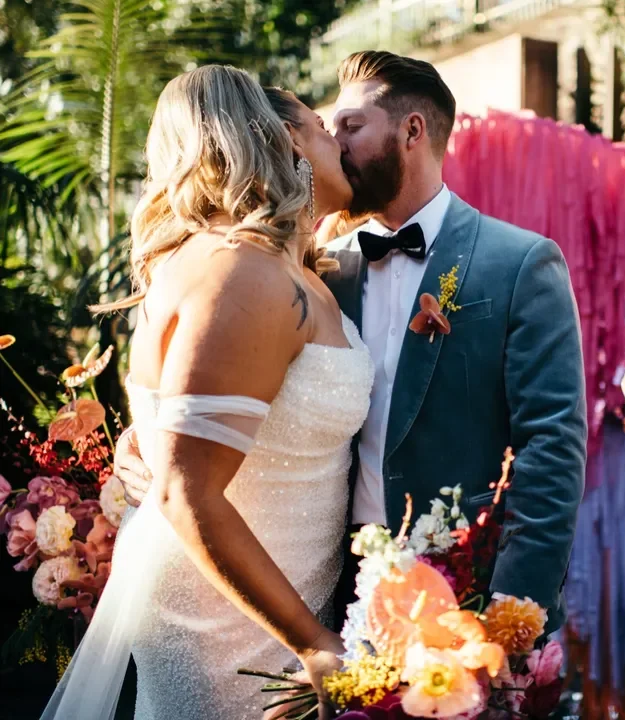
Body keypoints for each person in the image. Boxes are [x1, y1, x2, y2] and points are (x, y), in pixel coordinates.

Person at [120, 51, 589, 638]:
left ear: (411, 131)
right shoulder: (317, 270)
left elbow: (552, 448)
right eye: (329, 127)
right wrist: (144, 440)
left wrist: (514, 610)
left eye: (351, 126)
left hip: (468, 590)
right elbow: (229, 382)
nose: (335, 143)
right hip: (334, 594)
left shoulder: (519, 263)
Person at [42, 65, 371, 720]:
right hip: (230, 624)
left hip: (276, 598)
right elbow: (185, 488)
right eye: (321, 124)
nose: (338, 139)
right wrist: (313, 644)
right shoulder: (243, 272)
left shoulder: (279, 267)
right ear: (288, 141)